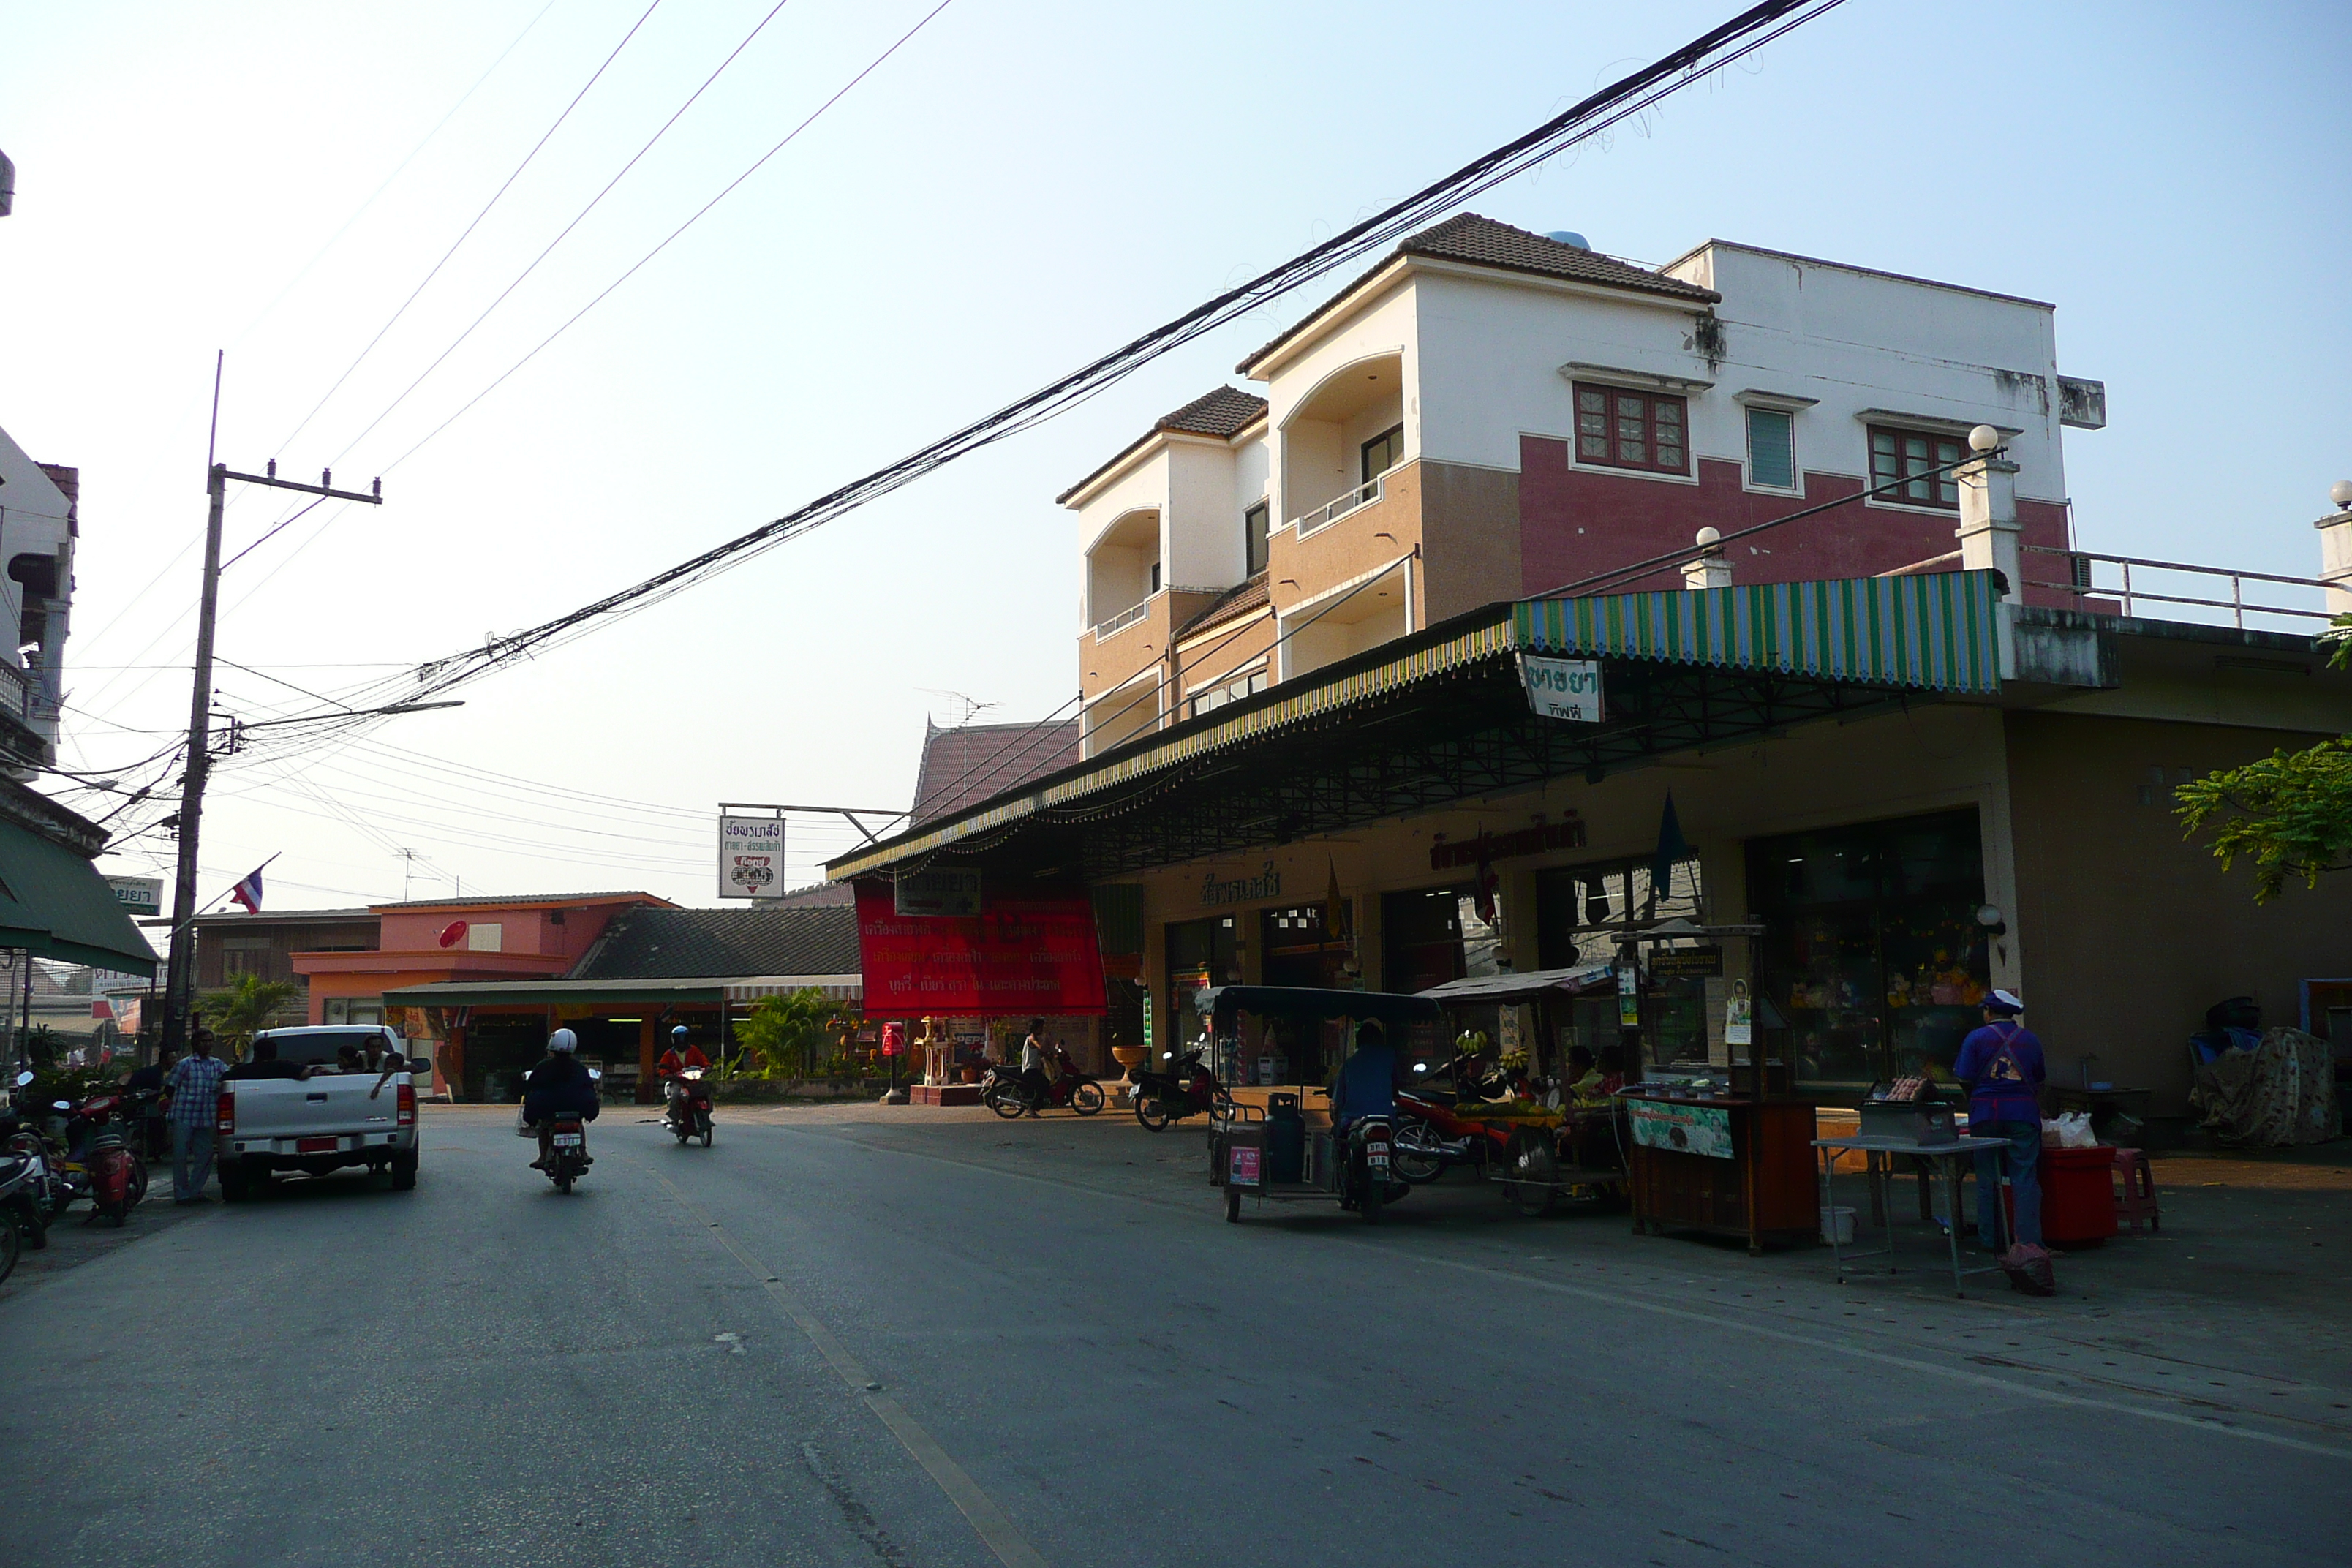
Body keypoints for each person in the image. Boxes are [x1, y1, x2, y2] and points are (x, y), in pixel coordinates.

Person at [1953, 988, 2046, 1251]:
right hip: (2023, 1115)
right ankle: (2028, 1244)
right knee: (2025, 1178)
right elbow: (2039, 1079)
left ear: (1989, 1012)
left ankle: (1990, 1240)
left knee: (1987, 1178)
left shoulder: (1975, 1039)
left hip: (1985, 1114)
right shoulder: (2031, 1040)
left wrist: (1975, 1101)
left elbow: (1964, 1076)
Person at [163, 1029, 230, 1203]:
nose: (207, 1044)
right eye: (203, 1041)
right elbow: (170, 1088)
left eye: (210, 1041)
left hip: (206, 1116)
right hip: (184, 1115)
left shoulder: (218, 1065)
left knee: (205, 1155)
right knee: (180, 1156)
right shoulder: (185, 1064)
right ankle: (181, 1193)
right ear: (195, 1044)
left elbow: (229, 1079)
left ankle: (195, 1190)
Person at [521, 1028, 600, 1169]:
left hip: (549, 1109)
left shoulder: (543, 1066)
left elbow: (531, 1088)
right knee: (579, 1125)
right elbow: (588, 1088)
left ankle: (542, 1156)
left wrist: (531, 1114)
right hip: (575, 1108)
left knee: (544, 1126)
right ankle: (583, 1153)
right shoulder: (579, 1067)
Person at [1328, 1019, 1397, 1134]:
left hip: (1354, 1120)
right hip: (1386, 1119)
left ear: (1358, 1041)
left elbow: (1337, 1102)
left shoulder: (1349, 1064)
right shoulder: (1390, 1057)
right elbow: (1397, 1085)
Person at [126, 1044, 176, 1158]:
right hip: (152, 1104)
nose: (175, 1061)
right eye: (172, 1058)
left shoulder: (172, 1073)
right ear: (164, 1060)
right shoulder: (152, 1073)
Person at [229, 1038, 311, 1081]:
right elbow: (305, 1072)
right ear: (275, 1054)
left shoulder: (242, 1070)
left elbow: (224, 1078)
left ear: (256, 1054)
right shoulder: (285, 1067)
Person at [1018, 1019, 1050, 1117]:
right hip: (1030, 1070)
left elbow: (1042, 1053)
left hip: (1033, 1069)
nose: (1042, 1030)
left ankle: (1033, 1106)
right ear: (1036, 1029)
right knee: (1045, 1084)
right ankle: (1032, 1108)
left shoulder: (1035, 1038)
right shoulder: (1032, 1038)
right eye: (1041, 1027)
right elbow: (1040, 1047)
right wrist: (1046, 1040)